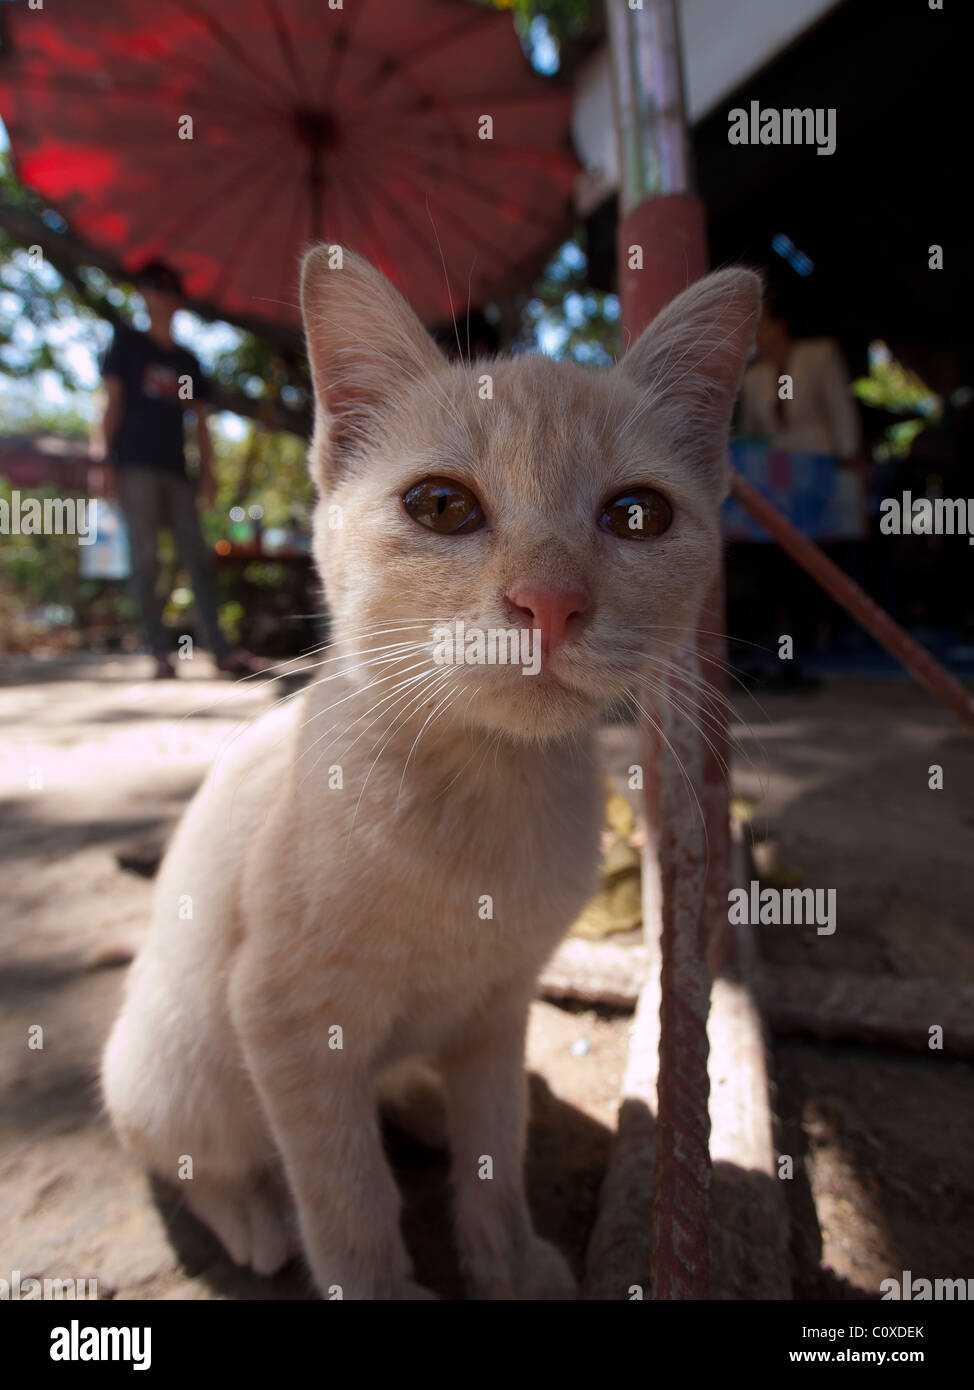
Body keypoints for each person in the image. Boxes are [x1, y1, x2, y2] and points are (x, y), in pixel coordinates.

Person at [90, 259, 266, 678]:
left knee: (197, 559)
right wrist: (102, 459)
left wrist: (208, 472)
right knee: (144, 559)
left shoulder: (187, 359)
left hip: (176, 470)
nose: (160, 295)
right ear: (142, 294)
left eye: (168, 287)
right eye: (152, 286)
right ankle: (159, 653)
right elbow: (111, 403)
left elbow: (200, 420)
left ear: (177, 299)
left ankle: (220, 651)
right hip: (135, 467)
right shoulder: (128, 345)